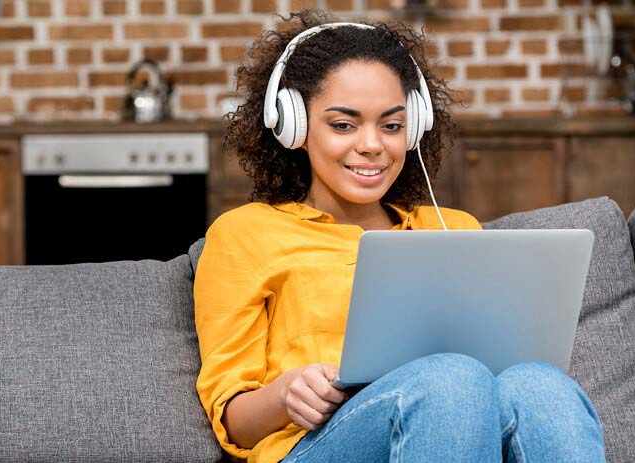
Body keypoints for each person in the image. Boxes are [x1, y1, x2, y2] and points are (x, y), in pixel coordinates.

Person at [193, 9, 606, 463]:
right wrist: (283, 394)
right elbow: (231, 419)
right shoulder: (244, 234)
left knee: (542, 385)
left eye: (391, 125)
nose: (373, 144)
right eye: (343, 124)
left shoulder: (453, 230)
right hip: (315, 446)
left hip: (453, 421)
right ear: (294, 127)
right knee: (450, 379)